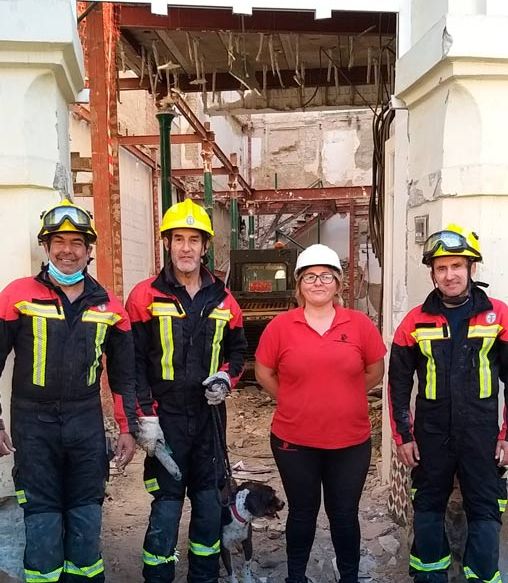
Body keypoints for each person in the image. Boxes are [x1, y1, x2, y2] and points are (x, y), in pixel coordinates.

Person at [0, 199, 138, 582]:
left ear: (89, 250)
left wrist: (126, 428)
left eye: (76, 242)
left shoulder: (109, 305)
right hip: (33, 423)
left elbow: (125, 376)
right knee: (42, 520)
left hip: (85, 423)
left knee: (85, 515)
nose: (67, 250)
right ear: (45, 247)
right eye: (58, 241)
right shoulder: (17, 295)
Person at [126, 198, 247, 583]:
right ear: (167, 243)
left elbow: (239, 352)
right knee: (166, 504)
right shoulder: (144, 297)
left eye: (194, 239)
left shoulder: (225, 301)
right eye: (178, 238)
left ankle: (205, 577)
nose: (186, 247)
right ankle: (158, 578)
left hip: (210, 418)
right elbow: (133, 363)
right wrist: (143, 416)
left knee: (210, 504)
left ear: (205, 246)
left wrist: (227, 378)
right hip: (166, 419)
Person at [255, 243, 386, 583]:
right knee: (301, 513)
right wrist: (292, 398)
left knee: (344, 515)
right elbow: (263, 372)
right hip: (294, 440)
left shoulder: (358, 324)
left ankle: (349, 577)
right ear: (299, 284)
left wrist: (345, 395)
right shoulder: (281, 327)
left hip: (350, 441)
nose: (318, 283)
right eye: (310, 276)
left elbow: (375, 369)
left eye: (326, 276)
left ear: (337, 284)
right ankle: (295, 577)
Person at [388, 224, 508, 583]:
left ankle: (483, 577)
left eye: (457, 266)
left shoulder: (499, 316)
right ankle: (430, 577)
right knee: (427, 507)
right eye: (441, 268)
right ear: (432, 273)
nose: (449, 274)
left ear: (471, 268)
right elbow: (397, 384)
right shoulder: (414, 322)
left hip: (482, 434)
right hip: (431, 435)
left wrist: (506, 435)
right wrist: (403, 437)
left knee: (486, 510)